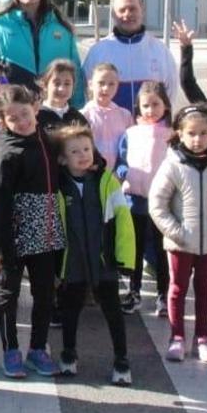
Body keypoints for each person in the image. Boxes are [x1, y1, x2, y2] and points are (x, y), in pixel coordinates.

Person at [149, 105, 207, 364]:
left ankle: (203, 337)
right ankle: (177, 337)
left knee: (205, 289)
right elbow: (158, 204)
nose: (197, 139)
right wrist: (176, 233)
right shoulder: (173, 165)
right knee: (177, 288)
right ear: (180, 134)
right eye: (191, 133)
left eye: (203, 133)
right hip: (180, 243)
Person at [0, 84, 64, 379]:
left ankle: (37, 349)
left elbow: (75, 144)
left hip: (45, 224)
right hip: (15, 229)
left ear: (35, 109)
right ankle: (11, 350)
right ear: (2, 122)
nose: (22, 121)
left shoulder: (45, 137)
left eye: (25, 114)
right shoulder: (5, 151)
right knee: (8, 294)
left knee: (44, 292)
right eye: (13, 118)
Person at [52, 124, 135, 385]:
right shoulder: (58, 186)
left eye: (87, 149)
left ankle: (121, 359)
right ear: (63, 159)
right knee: (70, 309)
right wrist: (54, 266)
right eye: (74, 151)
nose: (83, 155)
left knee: (112, 310)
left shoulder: (106, 181)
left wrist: (125, 258)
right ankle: (68, 353)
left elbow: (123, 220)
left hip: (103, 259)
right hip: (72, 261)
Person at [115, 82, 172, 315]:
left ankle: (163, 295)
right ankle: (134, 290)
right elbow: (121, 160)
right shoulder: (130, 133)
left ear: (165, 106)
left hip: (162, 202)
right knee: (135, 250)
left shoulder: (171, 134)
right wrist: (122, 172)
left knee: (161, 250)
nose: (150, 110)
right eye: (145, 105)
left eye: (155, 105)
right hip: (135, 201)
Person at [83, 0, 178, 114]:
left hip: (148, 130)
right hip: (110, 132)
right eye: (122, 10)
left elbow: (170, 93)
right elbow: (85, 93)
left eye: (132, 8)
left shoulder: (160, 51)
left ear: (142, 10)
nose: (127, 14)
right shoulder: (98, 52)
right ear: (113, 14)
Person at [82, 63, 135, 171]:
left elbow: (131, 146)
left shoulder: (125, 115)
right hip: (92, 174)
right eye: (101, 83)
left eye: (111, 84)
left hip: (117, 177)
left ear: (117, 86)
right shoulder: (83, 115)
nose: (106, 88)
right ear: (91, 84)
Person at [36, 59, 86, 134]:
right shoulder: (36, 116)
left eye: (67, 84)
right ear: (45, 85)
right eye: (57, 83)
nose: (61, 89)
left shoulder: (78, 118)